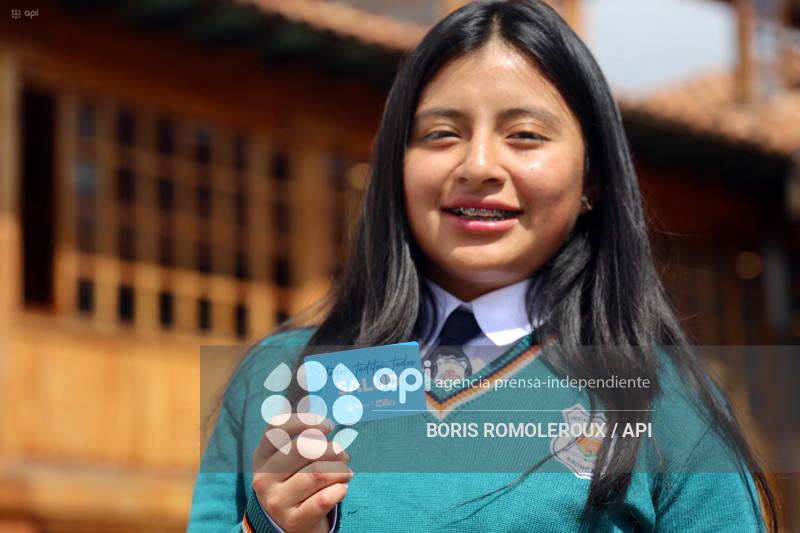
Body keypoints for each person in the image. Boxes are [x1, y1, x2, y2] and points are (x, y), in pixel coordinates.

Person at [187, 1, 778, 531]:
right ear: (397, 166)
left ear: (591, 178)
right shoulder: (284, 382)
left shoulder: (661, 402)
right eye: (442, 133)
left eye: (524, 135)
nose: (478, 165)